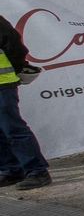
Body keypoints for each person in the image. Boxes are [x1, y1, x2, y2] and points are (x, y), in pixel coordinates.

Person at [0, 13, 50, 190]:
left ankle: (37, 171)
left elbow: (14, 45)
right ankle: (10, 170)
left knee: (13, 128)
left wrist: (19, 66)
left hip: (3, 84)